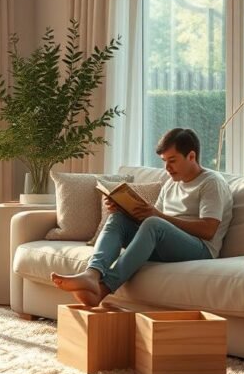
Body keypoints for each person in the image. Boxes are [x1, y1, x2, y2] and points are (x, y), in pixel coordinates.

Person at [50, 128, 233, 307]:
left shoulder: (211, 182)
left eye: (172, 161)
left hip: (200, 249)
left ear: (191, 156)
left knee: (154, 222)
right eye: (164, 161)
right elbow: (154, 225)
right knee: (118, 219)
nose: (167, 168)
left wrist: (158, 216)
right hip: (166, 243)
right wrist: (124, 210)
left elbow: (208, 230)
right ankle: (92, 274)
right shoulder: (170, 184)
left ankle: (104, 288)